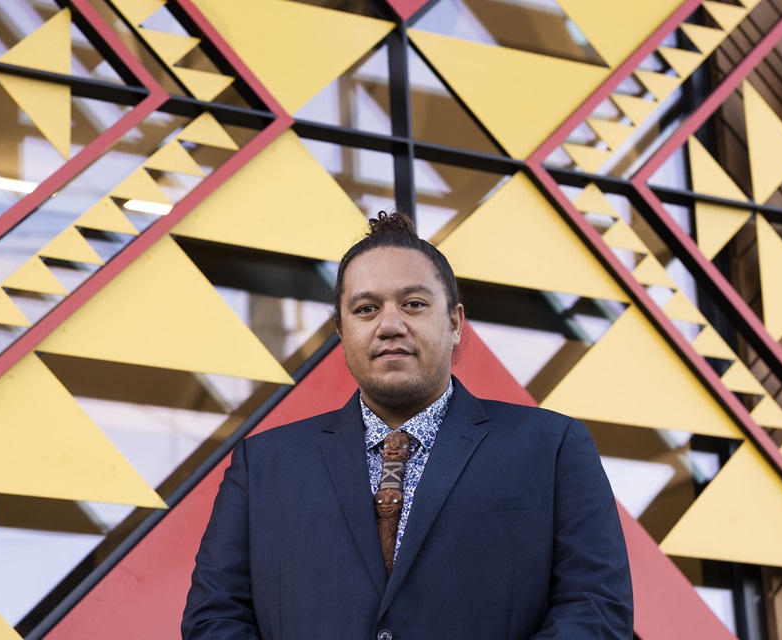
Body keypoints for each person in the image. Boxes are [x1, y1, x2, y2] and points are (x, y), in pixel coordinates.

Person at [182, 212, 633, 639]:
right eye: (365, 309)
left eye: (413, 304)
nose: (390, 325)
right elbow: (215, 617)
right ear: (341, 333)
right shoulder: (263, 465)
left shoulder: (552, 448)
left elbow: (596, 608)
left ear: (455, 323)